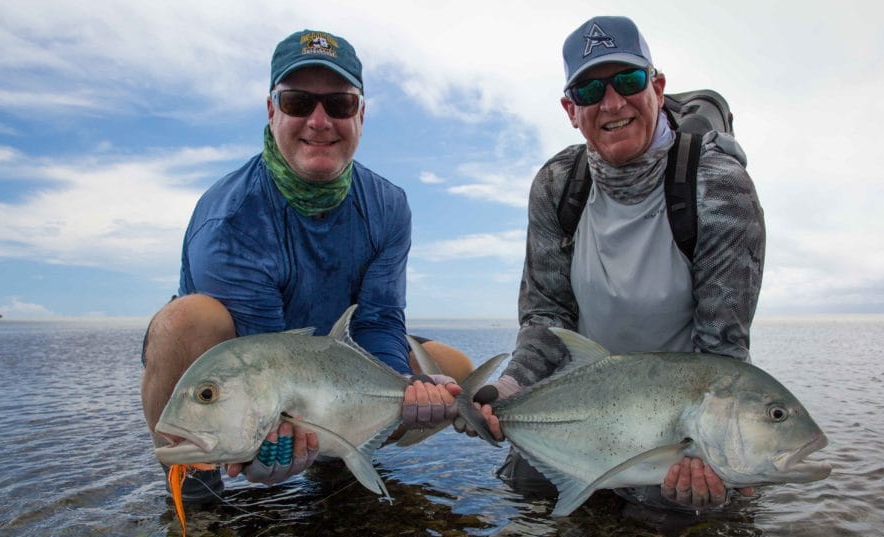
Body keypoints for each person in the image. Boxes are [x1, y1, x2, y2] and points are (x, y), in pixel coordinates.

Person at [141, 28, 471, 504]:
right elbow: (261, 359)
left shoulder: (388, 205)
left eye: (338, 104)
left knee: (454, 370)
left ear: (360, 114)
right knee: (184, 321)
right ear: (272, 110)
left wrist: (404, 391)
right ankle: (198, 484)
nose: (319, 121)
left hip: (334, 361)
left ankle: (340, 454)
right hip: (259, 362)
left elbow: (379, 320)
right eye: (298, 102)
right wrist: (265, 439)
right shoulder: (230, 218)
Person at [463, 16, 765, 512]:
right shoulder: (559, 185)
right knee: (526, 497)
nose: (612, 103)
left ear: (657, 85)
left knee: (677, 522)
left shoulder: (718, 186)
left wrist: (716, 453)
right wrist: (510, 387)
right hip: (580, 405)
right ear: (569, 109)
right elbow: (547, 318)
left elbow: (722, 351)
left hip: (673, 419)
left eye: (627, 80)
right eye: (588, 90)